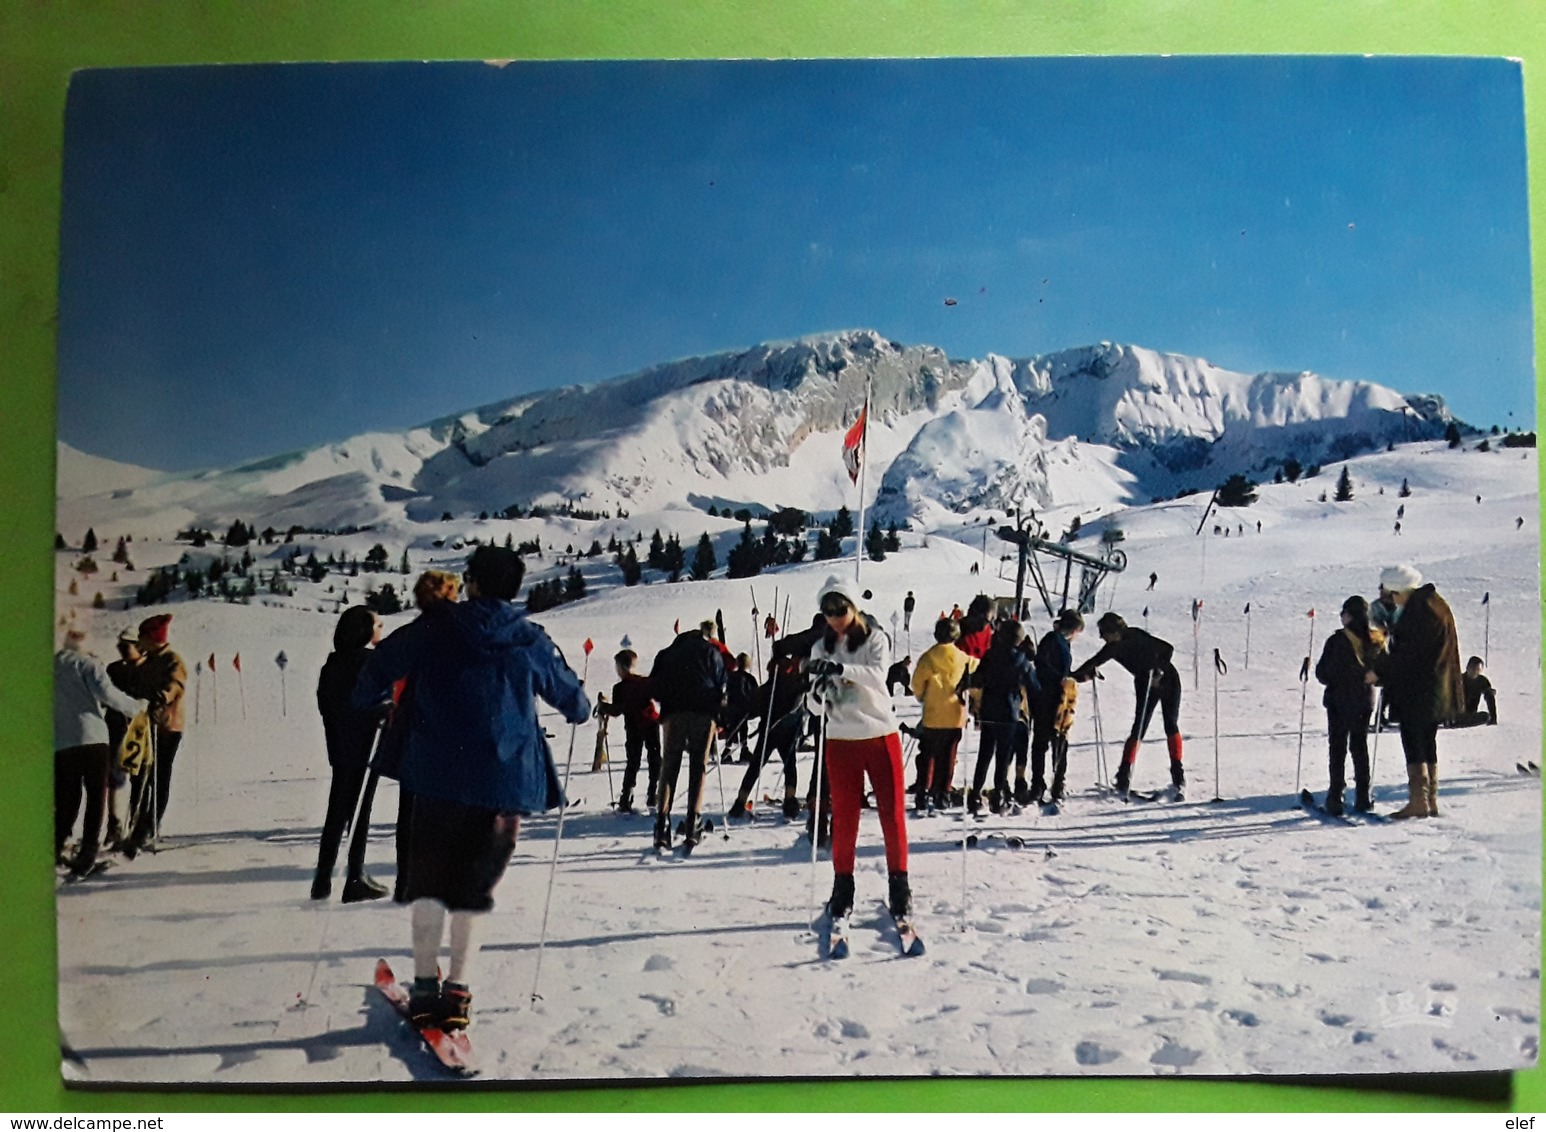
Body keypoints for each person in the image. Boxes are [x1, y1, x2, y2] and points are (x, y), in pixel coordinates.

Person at [352, 544, 589, 1033]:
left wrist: (369, 702)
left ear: (474, 583)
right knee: (472, 889)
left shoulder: (436, 625)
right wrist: (579, 707)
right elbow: (573, 700)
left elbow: (379, 668)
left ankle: (422, 989)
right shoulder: (529, 638)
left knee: (430, 882)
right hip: (504, 783)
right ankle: (457, 992)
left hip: (436, 776)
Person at [804, 575, 912, 922]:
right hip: (841, 739)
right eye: (827, 609)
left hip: (880, 734)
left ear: (855, 607)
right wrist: (818, 693)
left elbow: (878, 676)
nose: (834, 616)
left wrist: (839, 668)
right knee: (845, 817)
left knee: (892, 814)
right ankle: (842, 887)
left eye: (841, 608)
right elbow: (814, 706)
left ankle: (900, 886)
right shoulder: (820, 647)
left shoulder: (875, 639)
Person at [373, 570, 462, 903]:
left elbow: (382, 672)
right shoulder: (461, 635)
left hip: (413, 728)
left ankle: (409, 880)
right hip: (445, 731)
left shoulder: (409, 635)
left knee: (410, 809)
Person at [312, 606, 390, 902]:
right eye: (378, 624)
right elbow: (372, 700)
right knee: (359, 812)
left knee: (337, 812)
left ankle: (323, 878)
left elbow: (328, 704)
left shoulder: (331, 665)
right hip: (362, 744)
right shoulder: (368, 663)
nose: (380, 629)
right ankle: (354, 876)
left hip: (338, 745)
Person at [1372, 565, 1462, 819]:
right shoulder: (1434, 604)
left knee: (1414, 741)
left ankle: (1418, 801)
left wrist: (1379, 672)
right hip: (1434, 687)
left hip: (1419, 689)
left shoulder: (1419, 612)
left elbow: (1407, 654)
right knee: (1427, 741)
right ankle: (1429, 799)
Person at [55, 627, 143, 879]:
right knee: (96, 796)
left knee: (67, 797)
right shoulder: (88, 664)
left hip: (61, 741)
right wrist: (136, 707)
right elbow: (108, 694)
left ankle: (58, 845)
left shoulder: (50, 666)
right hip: (92, 738)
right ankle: (88, 854)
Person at [1072, 612, 1184, 797]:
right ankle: (1124, 775)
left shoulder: (1135, 635)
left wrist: (1159, 669)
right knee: (1139, 726)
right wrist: (1073, 675)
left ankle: (1178, 776)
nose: (1101, 637)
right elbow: (1094, 661)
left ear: (1114, 631)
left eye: (1103, 632)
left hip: (1167, 680)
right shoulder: (1113, 648)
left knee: (1170, 724)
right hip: (1144, 682)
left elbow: (1167, 648)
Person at [649, 623, 727, 852]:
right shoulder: (711, 651)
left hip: (673, 714)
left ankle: (661, 824)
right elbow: (722, 684)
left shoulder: (666, 654)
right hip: (703, 713)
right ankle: (693, 822)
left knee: (669, 767)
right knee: (698, 767)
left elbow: (655, 687)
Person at [121, 614, 187, 858]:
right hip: (144, 726)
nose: (139, 642)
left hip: (167, 727)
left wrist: (163, 695)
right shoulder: (147, 661)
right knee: (140, 777)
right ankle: (138, 826)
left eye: (142, 637)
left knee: (158, 776)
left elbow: (176, 684)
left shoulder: (173, 660)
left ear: (152, 639)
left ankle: (149, 826)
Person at [1313, 596, 1383, 815]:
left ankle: (1336, 795)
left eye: (1344, 613)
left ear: (1350, 616)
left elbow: (1323, 673)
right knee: (1359, 746)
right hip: (1364, 699)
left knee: (1338, 747)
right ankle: (1363, 795)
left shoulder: (1338, 640)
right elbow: (1382, 670)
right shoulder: (1375, 639)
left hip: (1339, 700)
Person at [967, 621, 1040, 814]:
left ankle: (975, 794)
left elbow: (977, 678)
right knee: (1003, 756)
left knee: (984, 754)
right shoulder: (1022, 661)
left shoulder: (990, 655)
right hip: (1009, 713)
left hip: (989, 710)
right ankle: (998, 794)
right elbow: (1034, 687)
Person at [910, 617, 977, 812]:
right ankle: (943, 793)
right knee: (948, 756)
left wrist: (922, 696)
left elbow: (916, 684)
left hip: (932, 714)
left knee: (927, 754)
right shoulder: (963, 658)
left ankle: (923, 790)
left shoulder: (928, 658)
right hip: (955, 715)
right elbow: (977, 668)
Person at [1025, 609, 1083, 806]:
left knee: (1048, 742)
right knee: (1053, 741)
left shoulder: (1057, 640)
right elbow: (1043, 665)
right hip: (1049, 697)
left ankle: (1047, 784)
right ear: (1074, 629)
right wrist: (1062, 680)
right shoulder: (1054, 640)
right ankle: (1046, 785)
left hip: (1053, 697)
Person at [595, 649, 661, 813]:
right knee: (654, 760)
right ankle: (654, 793)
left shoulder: (620, 688)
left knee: (633, 761)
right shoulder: (645, 682)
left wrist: (603, 707)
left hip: (633, 727)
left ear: (621, 667)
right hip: (651, 723)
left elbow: (617, 710)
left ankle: (626, 797)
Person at [102, 629, 144, 850]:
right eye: (120, 647)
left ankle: (134, 826)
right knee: (115, 777)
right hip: (116, 728)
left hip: (140, 731)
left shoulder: (147, 670)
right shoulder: (114, 670)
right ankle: (115, 825)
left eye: (125, 646)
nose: (122, 651)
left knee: (137, 778)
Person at [722, 653, 760, 763]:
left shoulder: (730, 676)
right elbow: (755, 693)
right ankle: (743, 749)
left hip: (732, 708)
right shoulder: (750, 678)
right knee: (743, 728)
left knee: (732, 729)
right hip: (744, 708)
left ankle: (728, 750)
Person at [1452, 656, 1499, 727]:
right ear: (1467, 668)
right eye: (1472, 668)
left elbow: (1489, 697)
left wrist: (1493, 718)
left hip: (1471, 714)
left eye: (1477, 669)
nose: (1474, 671)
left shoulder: (1482, 681)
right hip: (1455, 714)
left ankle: (1460, 722)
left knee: (1485, 716)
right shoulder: (1459, 680)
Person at [955, 595, 994, 660]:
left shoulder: (987, 630)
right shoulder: (956, 630)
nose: (986, 625)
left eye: (989, 622)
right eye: (985, 620)